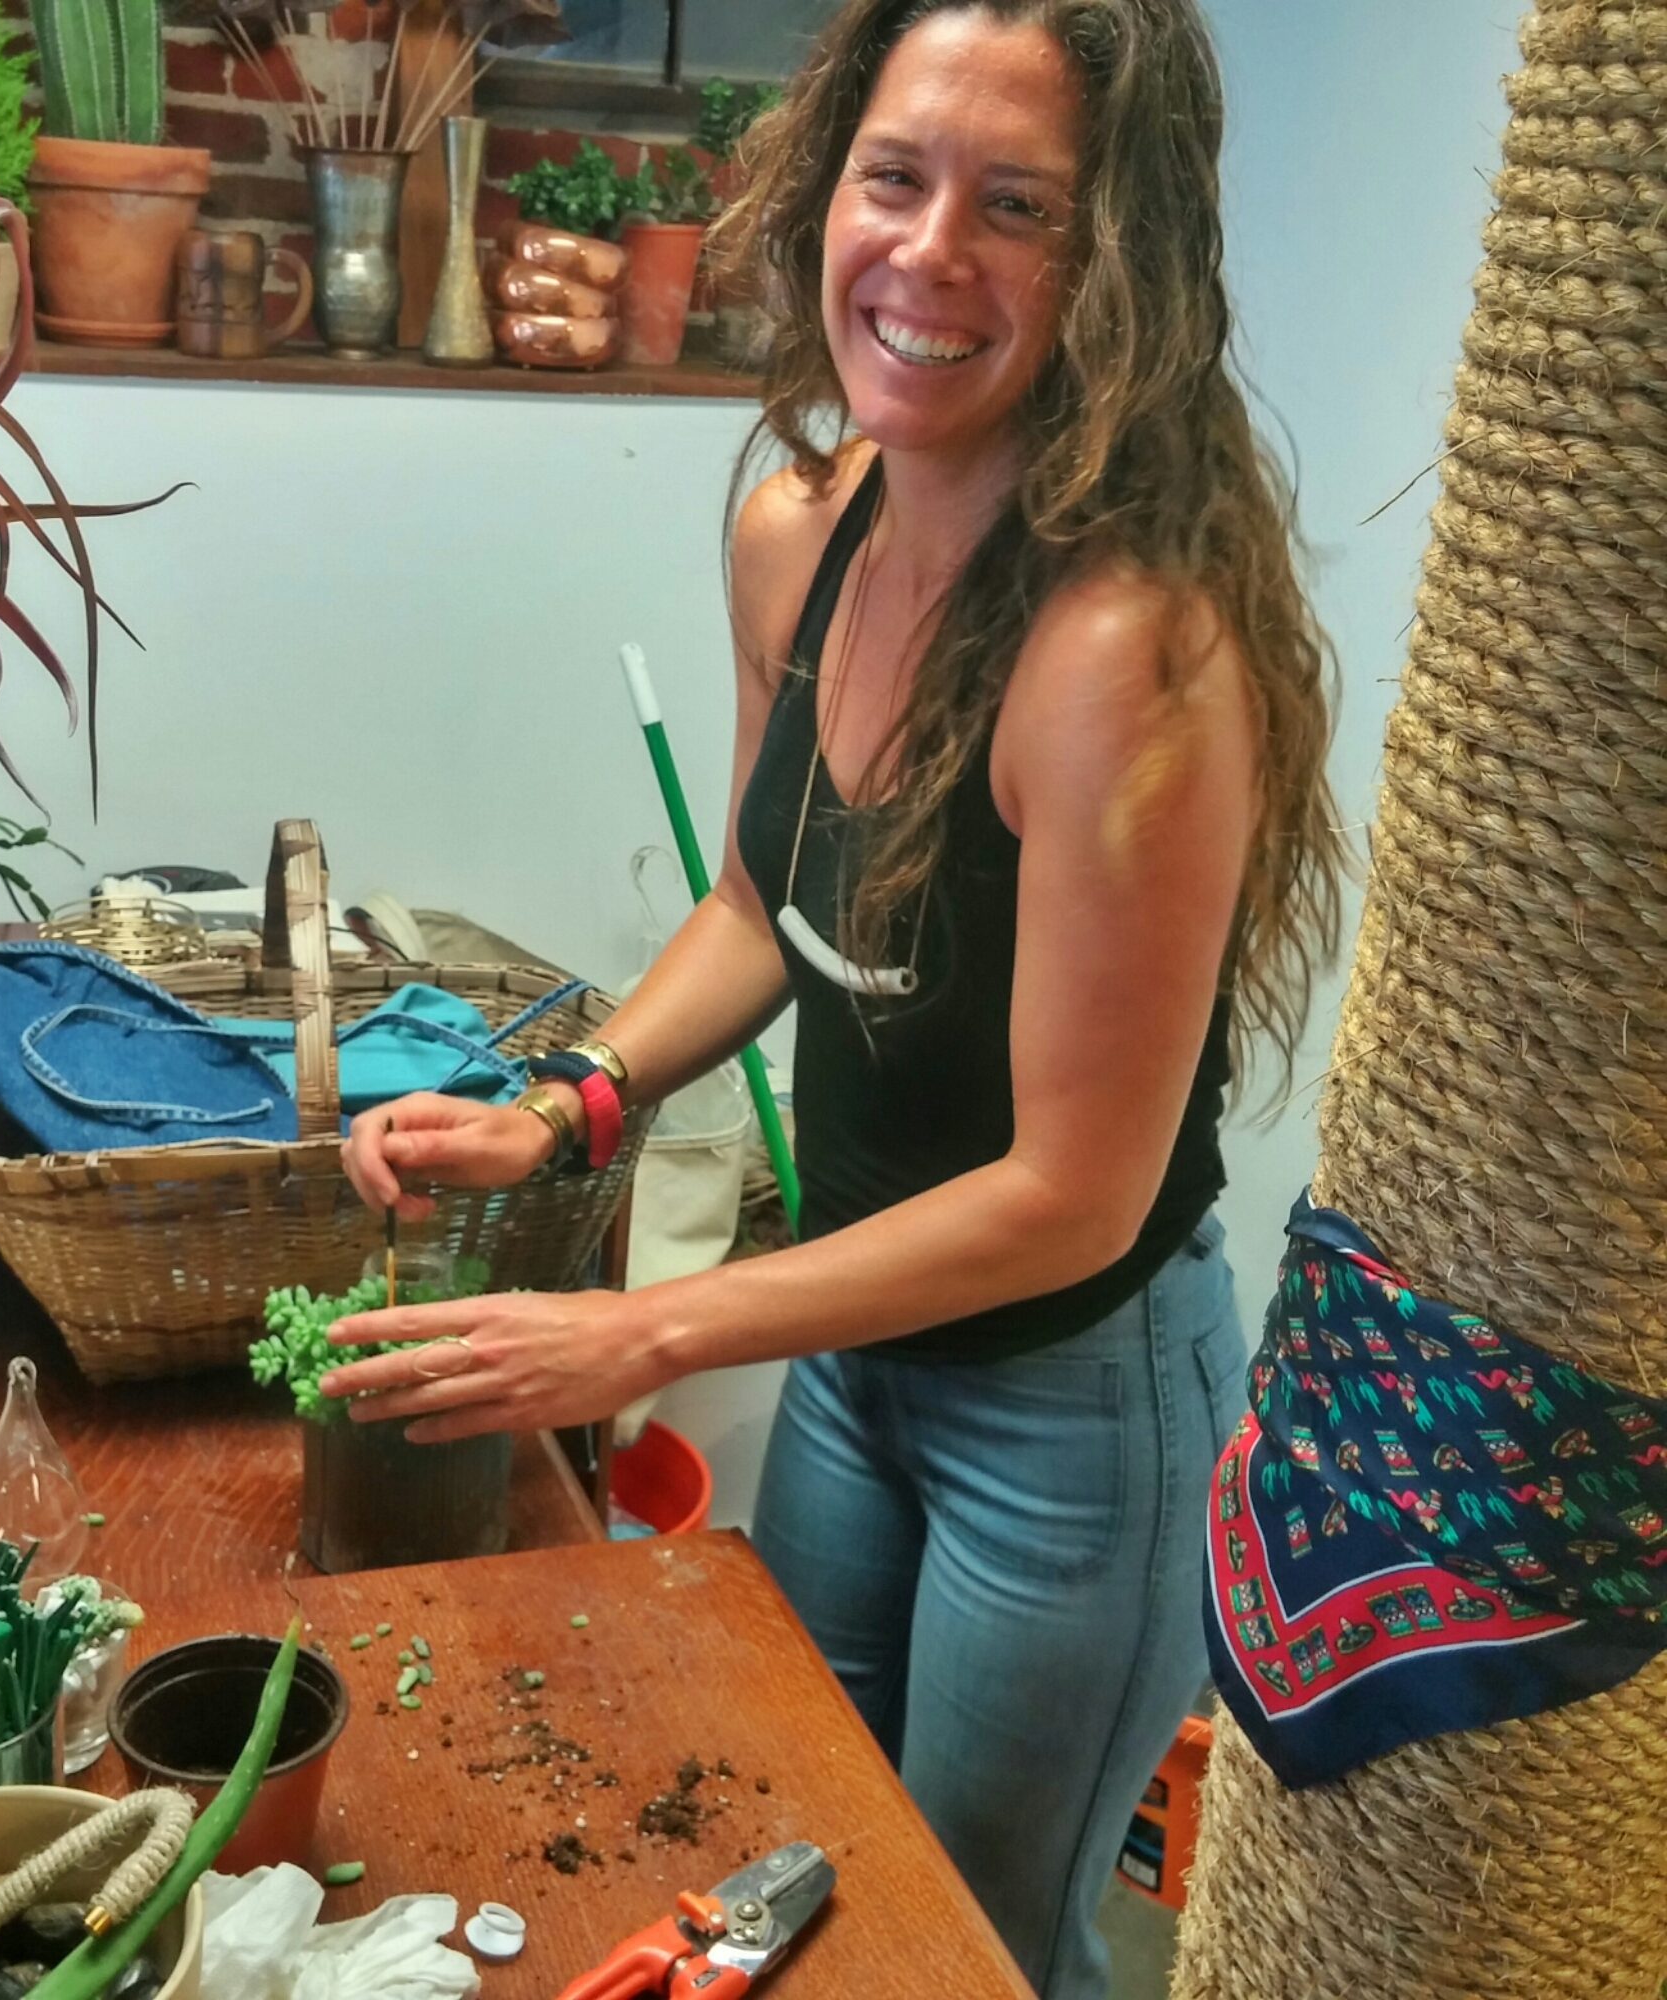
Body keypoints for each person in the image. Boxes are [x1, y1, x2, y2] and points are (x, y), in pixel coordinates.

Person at [326, 3, 1340, 1993]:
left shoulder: (1123, 652)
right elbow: (754, 905)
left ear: (1114, 266)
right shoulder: (798, 532)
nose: (929, 251)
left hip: (1071, 1408)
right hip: (860, 1362)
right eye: (897, 177)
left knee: (972, 1944)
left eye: (1016, 207)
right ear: (823, 197)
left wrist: (640, 1330)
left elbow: (1072, 1194)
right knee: (784, 1869)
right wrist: (562, 1107)